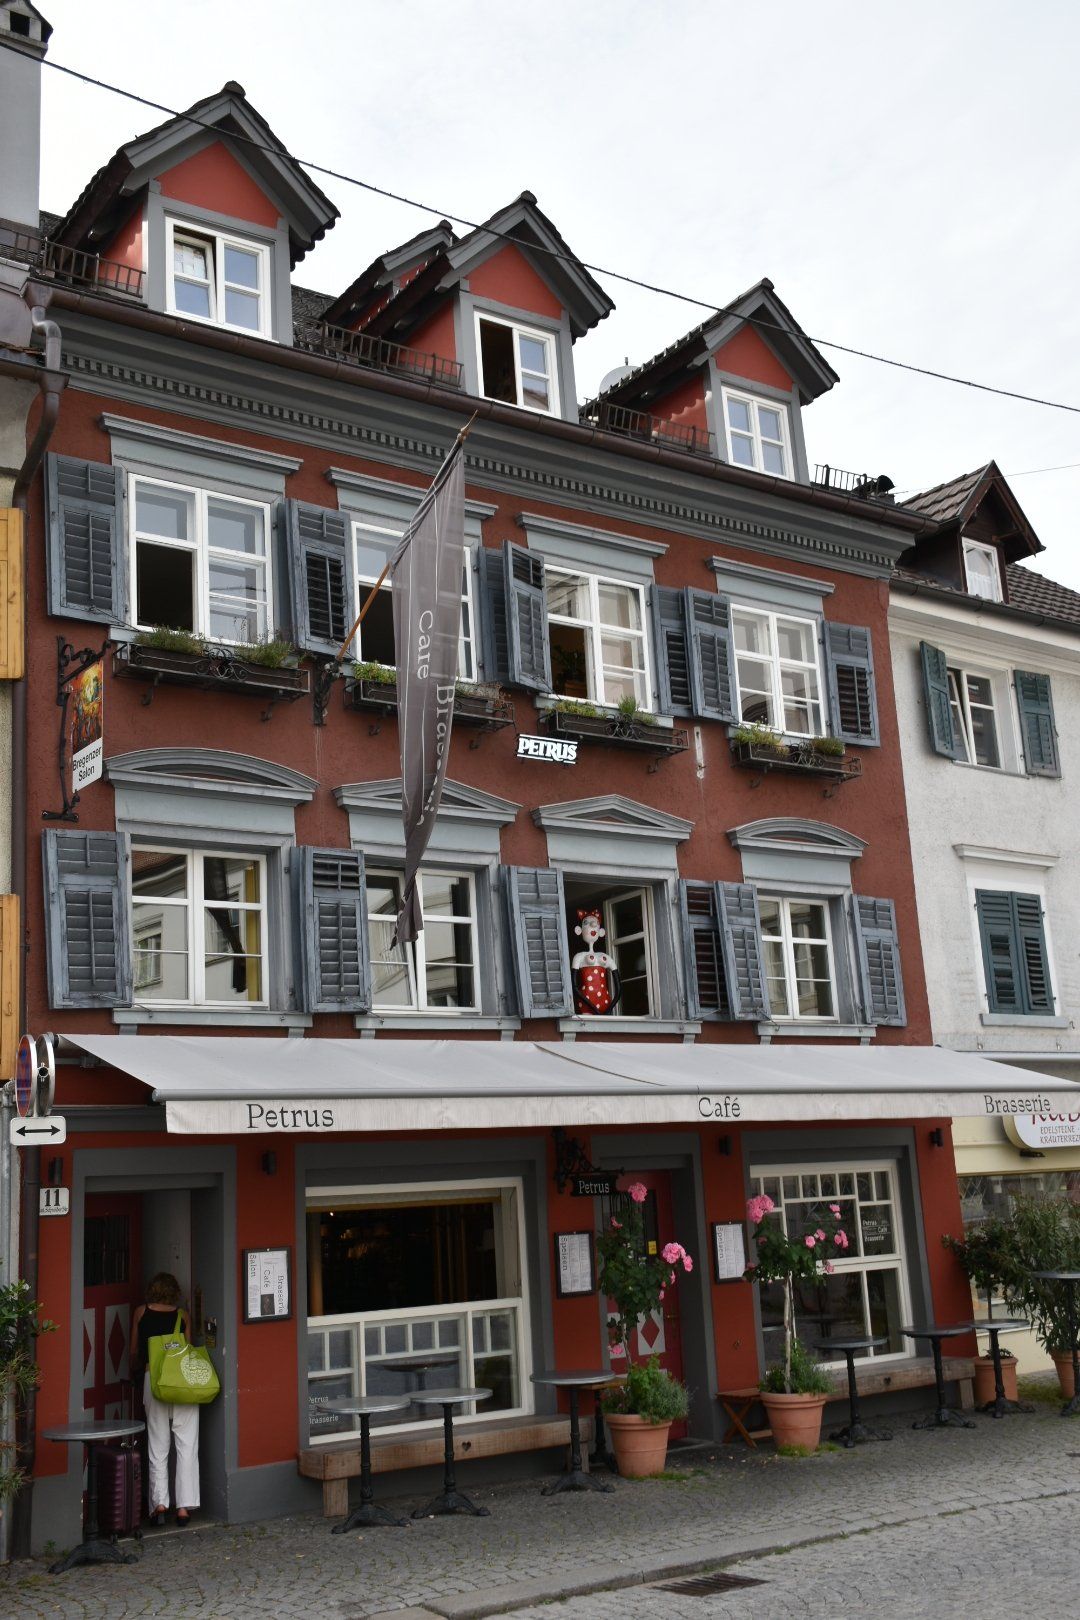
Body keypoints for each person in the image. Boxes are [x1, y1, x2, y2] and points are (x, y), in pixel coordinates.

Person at [130, 1272, 200, 1527]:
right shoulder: (183, 1316)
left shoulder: (141, 1313)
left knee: (157, 1445)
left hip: (154, 1379)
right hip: (181, 1381)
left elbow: (134, 1351)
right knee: (187, 1444)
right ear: (174, 1292)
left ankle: (159, 1504)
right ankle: (183, 1507)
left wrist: (137, 1371)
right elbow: (189, 1350)